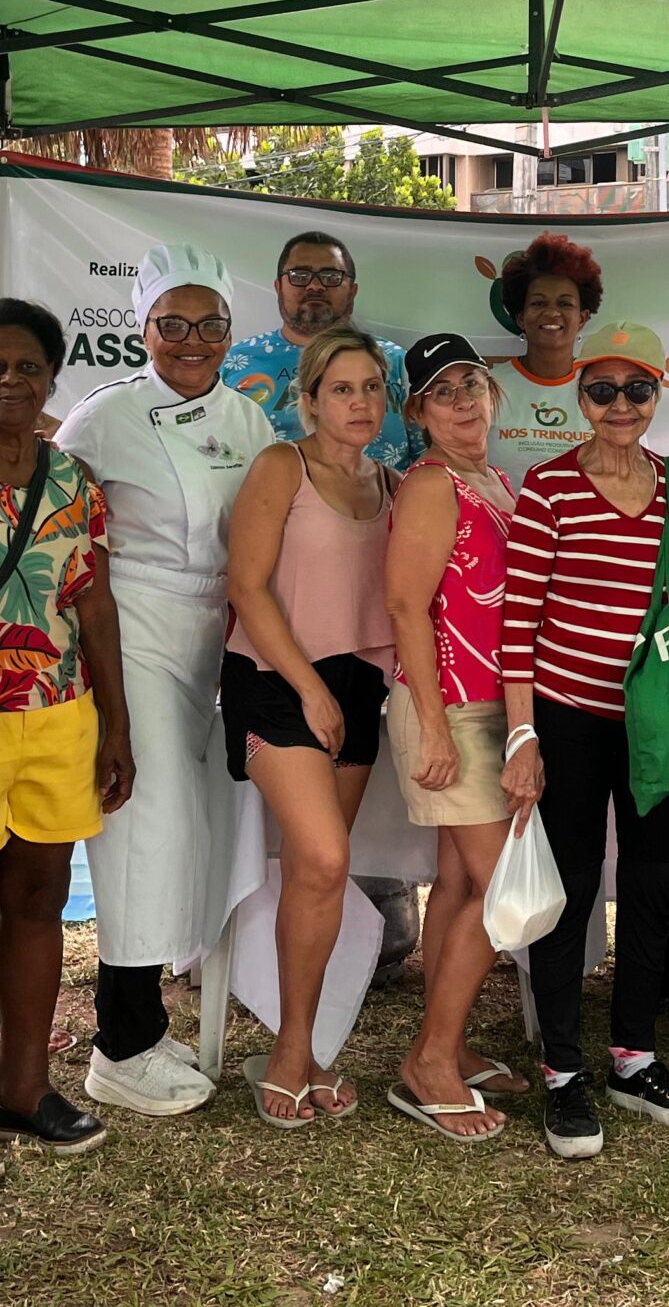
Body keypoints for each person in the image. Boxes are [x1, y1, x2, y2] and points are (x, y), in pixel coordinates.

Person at [56, 244, 275, 1118]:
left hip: (218, 634)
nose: (192, 341)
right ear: (142, 328)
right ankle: (121, 1044)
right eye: (172, 325)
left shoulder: (250, 420)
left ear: (230, 330)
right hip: (132, 625)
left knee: (194, 828)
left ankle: (146, 1016)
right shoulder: (104, 417)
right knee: (146, 826)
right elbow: (57, 523)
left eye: (209, 324)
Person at [0, 299, 128, 1185]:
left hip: (58, 712)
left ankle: (23, 1084)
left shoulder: (73, 477)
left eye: (29, 366)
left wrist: (117, 723)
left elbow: (93, 602)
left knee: (39, 897)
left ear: (52, 377)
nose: (12, 381)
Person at [501, 319, 669, 1158]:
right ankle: (563, 1070)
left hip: (656, 723)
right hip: (567, 718)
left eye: (637, 389)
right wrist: (523, 736)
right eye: (602, 389)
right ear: (579, 395)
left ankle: (634, 1058)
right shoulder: (549, 487)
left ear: (659, 393)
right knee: (571, 890)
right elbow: (518, 624)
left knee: (655, 885)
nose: (619, 405)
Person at [223, 324, 400, 1126]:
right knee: (327, 857)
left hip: (357, 687)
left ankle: (301, 1046)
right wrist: (310, 690)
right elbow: (248, 588)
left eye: (371, 388)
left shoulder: (390, 483)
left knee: (315, 872)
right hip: (273, 679)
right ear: (310, 400)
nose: (359, 402)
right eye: (342, 389)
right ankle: (291, 1054)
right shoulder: (279, 467)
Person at [381, 334, 527, 1141]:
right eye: (443, 391)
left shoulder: (493, 480)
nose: (464, 399)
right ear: (418, 412)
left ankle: (451, 1041)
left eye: (472, 383)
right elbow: (406, 607)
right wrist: (435, 728)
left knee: (461, 881)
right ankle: (430, 1061)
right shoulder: (434, 485)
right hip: (451, 709)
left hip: (490, 706)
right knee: (500, 887)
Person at [223, 229, 417, 470]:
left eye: (331, 276)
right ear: (278, 287)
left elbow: (430, 459)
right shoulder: (232, 363)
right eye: (299, 275)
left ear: (353, 290)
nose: (315, 286)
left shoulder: (398, 363)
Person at [489, 232, 601, 490]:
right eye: (539, 303)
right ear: (520, 318)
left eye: (565, 303)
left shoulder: (605, 391)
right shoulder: (489, 387)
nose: (552, 312)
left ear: (582, 318)